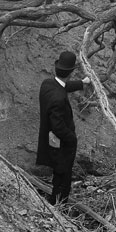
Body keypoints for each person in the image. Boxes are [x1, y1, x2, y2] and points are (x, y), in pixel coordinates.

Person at [36, 50, 91, 205]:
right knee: (63, 178)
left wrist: (82, 83)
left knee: (58, 173)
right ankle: (58, 207)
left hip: (50, 140)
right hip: (61, 144)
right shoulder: (59, 99)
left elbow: (63, 86)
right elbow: (58, 126)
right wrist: (72, 138)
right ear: (71, 72)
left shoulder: (47, 84)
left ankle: (55, 203)